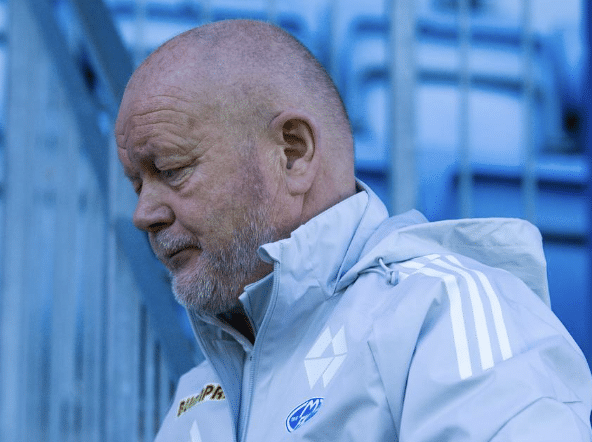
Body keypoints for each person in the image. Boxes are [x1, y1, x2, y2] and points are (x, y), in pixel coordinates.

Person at [115, 19, 592, 441]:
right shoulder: (199, 392)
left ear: (293, 153)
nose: (143, 213)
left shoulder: (442, 313)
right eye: (137, 184)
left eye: (171, 169)